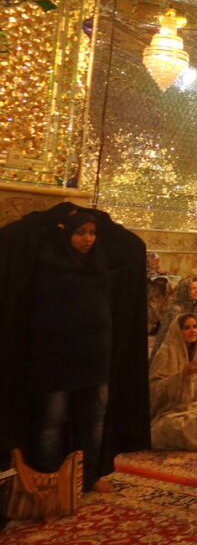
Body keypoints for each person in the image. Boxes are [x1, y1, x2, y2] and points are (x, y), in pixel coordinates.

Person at [0, 204, 149, 495]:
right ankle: (50, 479)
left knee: (94, 420)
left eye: (93, 233)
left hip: (95, 358)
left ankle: (88, 476)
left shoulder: (100, 266)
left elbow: (131, 243)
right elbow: (15, 237)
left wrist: (92, 215)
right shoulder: (46, 265)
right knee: (52, 422)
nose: (89, 239)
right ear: (64, 233)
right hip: (55, 359)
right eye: (81, 232)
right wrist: (55, 215)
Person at [149, 314, 197, 450]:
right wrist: (182, 375)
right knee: (179, 427)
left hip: (194, 406)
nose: (193, 331)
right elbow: (154, 390)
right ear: (178, 331)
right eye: (187, 328)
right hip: (171, 412)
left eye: (195, 327)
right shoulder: (166, 353)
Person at [151, 277, 197, 361]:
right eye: (193, 288)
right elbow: (176, 335)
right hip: (175, 348)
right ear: (185, 291)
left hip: (193, 342)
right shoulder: (176, 309)